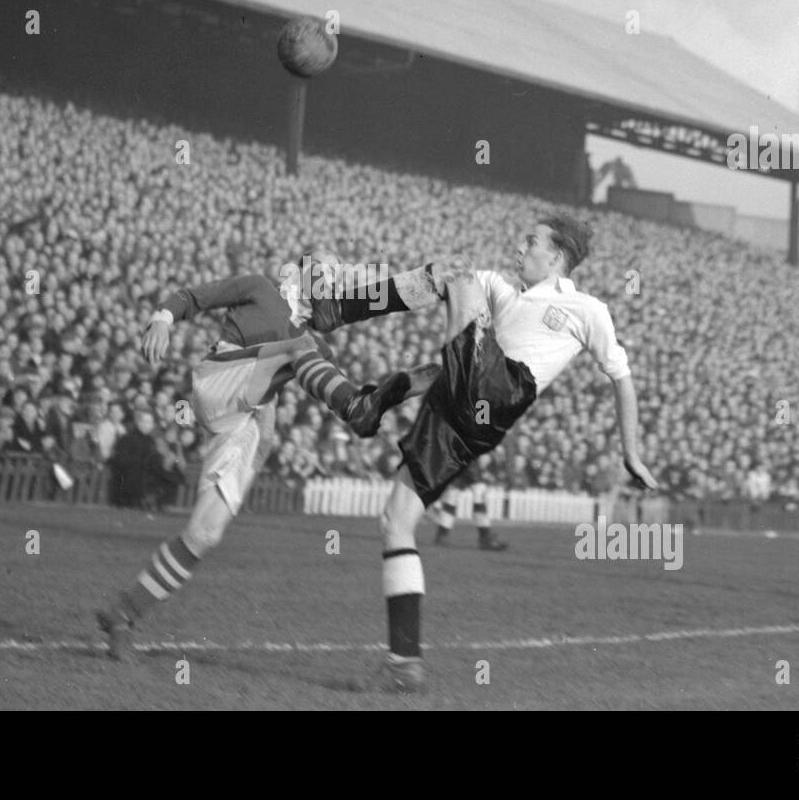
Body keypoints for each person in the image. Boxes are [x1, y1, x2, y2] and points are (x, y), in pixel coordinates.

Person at [324, 216, 659, 693]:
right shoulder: (500, 287)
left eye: (531, 242)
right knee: (395, 520)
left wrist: (632, 452)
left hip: (502, 393)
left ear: (557, 257)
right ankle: (405, 664)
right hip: (462, 421)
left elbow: (621, 378)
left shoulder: (586, 308)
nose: (520, 248)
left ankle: (338, 315)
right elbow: (436, 299)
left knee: (456, 272)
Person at [95, 251, 434, 660]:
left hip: (243, 418)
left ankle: (122, 613)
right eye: (325, 270)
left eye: (335, 274)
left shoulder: (311, 339)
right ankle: (358, 406)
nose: (332, 278)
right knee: (301, 350)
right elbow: (192, 296)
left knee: (205, 534)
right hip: (219, 379)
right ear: (300, 272)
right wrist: (163, 318)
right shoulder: (261, 288)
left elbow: (359, 307)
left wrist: (426, 286)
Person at [430, 456, 510, 551]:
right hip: (460, 455)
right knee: (454, 494)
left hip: (465, 456)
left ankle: (483, 536)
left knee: (471, 491)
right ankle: (484, 537)